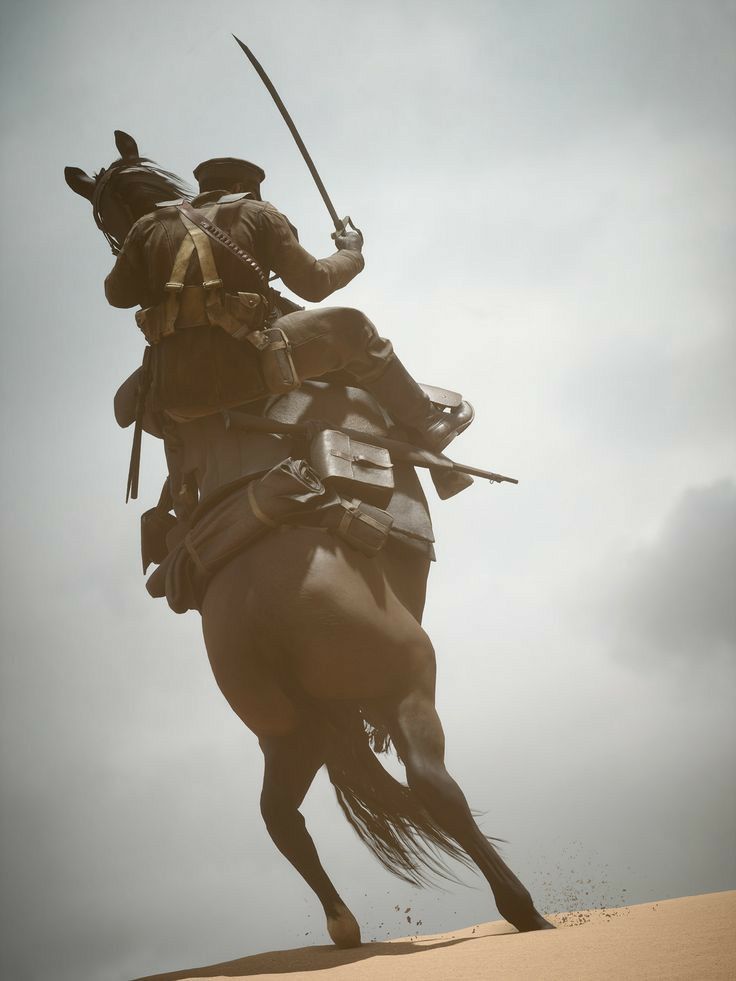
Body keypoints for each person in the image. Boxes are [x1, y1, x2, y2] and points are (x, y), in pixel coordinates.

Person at [104, 155, 472, 451]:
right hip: (243, 365)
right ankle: (430, 422)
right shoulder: (257, 213)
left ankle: (186, 485)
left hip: (174, 384)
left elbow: (116, 295)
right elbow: (315, 284)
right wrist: (352, 252)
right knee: (353, 327)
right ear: (240, 188)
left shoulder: (149, 226)